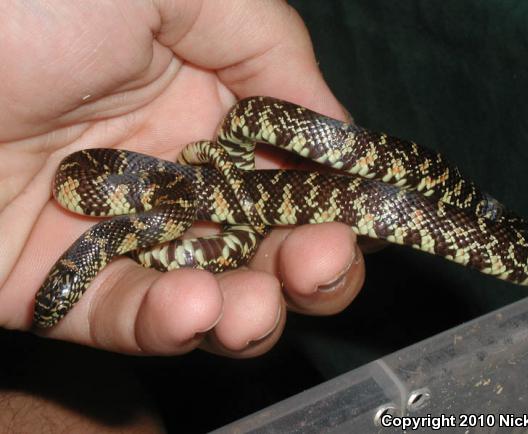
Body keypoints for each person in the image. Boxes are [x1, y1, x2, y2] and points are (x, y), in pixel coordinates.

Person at [0, 1, 365, 430]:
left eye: (57, 300)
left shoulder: (149, 211)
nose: (51, 311)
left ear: (77, 272)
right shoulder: (120, 204)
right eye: (56, 303)